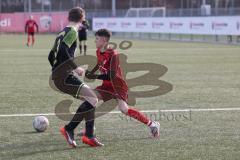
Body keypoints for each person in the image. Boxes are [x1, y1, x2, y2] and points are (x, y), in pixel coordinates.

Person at [84, 28, 160, 139]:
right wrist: (91, 72)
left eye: (97, 39)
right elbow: (99, 63)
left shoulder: (113, 54)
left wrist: (94, 76)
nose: (95, 41)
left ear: (104, 41)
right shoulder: (98, 51)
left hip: (117, 86)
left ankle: (153, 124)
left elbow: (112, 75)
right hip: (106, 85)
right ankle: (90, 128)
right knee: (88, 97)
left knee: (124, 109)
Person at [48, 7, 103, 148]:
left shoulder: (63, 31)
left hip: (60, 75)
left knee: (90, 100)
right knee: (93, 99)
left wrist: (56, 69)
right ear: (82, 18)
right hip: (64, 75)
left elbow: (51, 55)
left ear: (69, 17)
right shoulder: (72, 31)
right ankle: (69, 129)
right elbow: (62, 50)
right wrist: (75, 67)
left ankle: (89, 135)